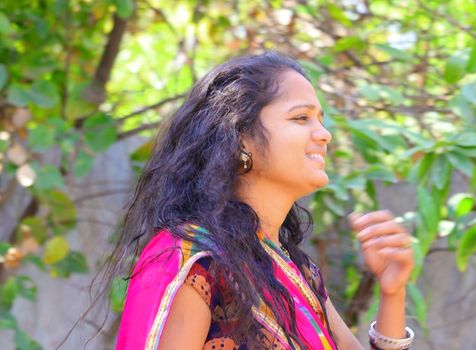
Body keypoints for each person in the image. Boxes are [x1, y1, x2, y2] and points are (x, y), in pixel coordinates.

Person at [112, 51, 415, 350]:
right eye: (301, 118)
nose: (324, 135)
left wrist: (392, 293)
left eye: (320, 120)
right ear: (241, 136)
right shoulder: (192, 260)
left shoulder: (295, 272)